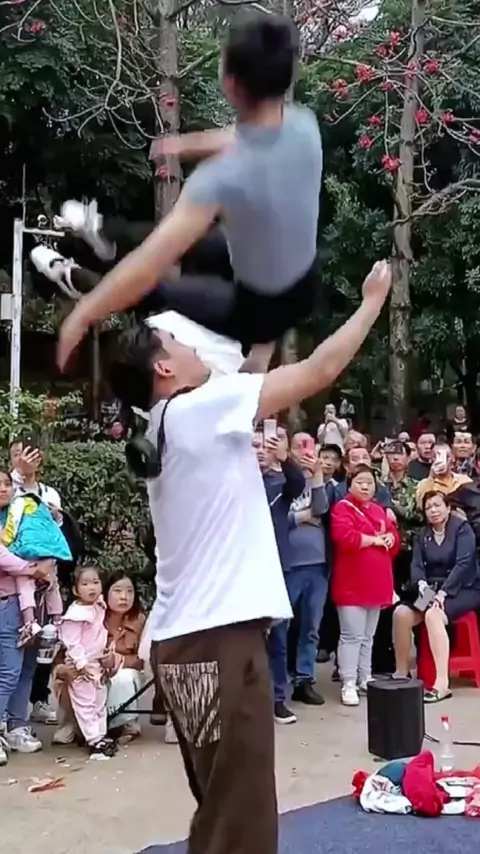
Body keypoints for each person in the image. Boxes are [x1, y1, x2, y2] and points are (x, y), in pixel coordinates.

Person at [57, 257, 390, 853]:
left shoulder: (170, 420)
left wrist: (267, 307)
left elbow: (251, 366)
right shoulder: (199, 411)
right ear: (164, 367)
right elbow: (320, 369)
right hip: (217, 643)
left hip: (188, 646)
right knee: (242, 818)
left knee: (223, 806)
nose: (194, 344)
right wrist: (371, 302)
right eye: (180, 341)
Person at [56, 15, 323, 371]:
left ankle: (84, 283)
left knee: (156, 287)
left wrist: (83, 316)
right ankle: (106, 238)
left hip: (259, 310)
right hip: (303, 279)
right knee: (209, 245)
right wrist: (184, 144)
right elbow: (240, 138)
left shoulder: (220, 179)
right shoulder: (303, 124)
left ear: (230, 83)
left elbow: (151, 262)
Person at [393, 491, 480, 703]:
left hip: (463, 588)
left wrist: (443, 593)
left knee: (433, 614)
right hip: (432, 589)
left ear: (448, 507)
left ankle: (441, 684)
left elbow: (463, 565)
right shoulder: (423, 534)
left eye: (437, 505)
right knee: (401, 614)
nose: (433, 510)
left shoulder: (462, 529)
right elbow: (416, 565)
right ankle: (401, 674)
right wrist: (422, 586)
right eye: (428, 507)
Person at [330, 465, 400, 707]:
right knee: (351, 635)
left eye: (369, 482)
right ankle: (348, 681)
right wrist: (374, 540)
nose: (365, 486)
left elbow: (393, 540)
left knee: (368, 636)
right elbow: (344, 537)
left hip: (377, 583)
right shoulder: (342, 508)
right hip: (352, 584)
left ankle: (364, 676)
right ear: (350, 484)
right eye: (360, 481)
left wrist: (391, 538)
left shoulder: (379, 510)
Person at [257, 431, 305, 723]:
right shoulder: (238, 482)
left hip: (277, 568)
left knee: (278, 636)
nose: (260, 451)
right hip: (243, 569)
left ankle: (277, 698)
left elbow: (298, 485)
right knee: (244, 638)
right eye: (254, 446)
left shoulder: (281, 482)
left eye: (265, 446)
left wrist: (286, 459)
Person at [0, 470, 71, 643]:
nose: (3, 489)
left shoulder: (21, 505)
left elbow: (50, 534)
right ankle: (45, 623)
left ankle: (44, 623)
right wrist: (30, 568)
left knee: (44, 584)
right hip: (10, 595)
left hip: (30, 584)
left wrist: (48, 561)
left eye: (7, 484)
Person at [285, 434, 330, 705]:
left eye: (309, 446)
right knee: (282, 625)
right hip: (288, 564)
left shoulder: (319, 480)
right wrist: (303, 516)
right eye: (298, 446)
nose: (304, 452)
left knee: (311, 626)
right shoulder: (282, 479)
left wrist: (317, 476)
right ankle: (279, 680)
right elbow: (278, 516)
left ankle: (305, 678)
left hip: (318, 564)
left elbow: (321, 508)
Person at [57, 567, 116, 759]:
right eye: (85, 583)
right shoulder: (75, 614)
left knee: (99, 700)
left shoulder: (98, 605)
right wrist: (80, 664)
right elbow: (72, 642)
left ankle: (101, 735)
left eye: (95, 582)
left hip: (96, 662)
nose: (92, 587)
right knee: (85, 702)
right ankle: (93, 739)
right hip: (80, 665)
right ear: (76, 590)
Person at [104, 571, 146, 738]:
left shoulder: (140, 620)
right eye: (117, 591)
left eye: (129, 591)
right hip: (97, 669)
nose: (124, 597)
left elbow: (144, 659)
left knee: (124, 677)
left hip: (128, 672)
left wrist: (119, 661)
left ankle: (125, 722)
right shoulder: (94, 617)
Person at [416, 443, 472, 508]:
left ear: (453, 458)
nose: (442, 460)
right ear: (431, 459)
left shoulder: (464, 480)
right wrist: (431, 477)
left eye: (446, 456)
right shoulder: (424, 484)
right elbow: (420, 506)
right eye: (436, 457)